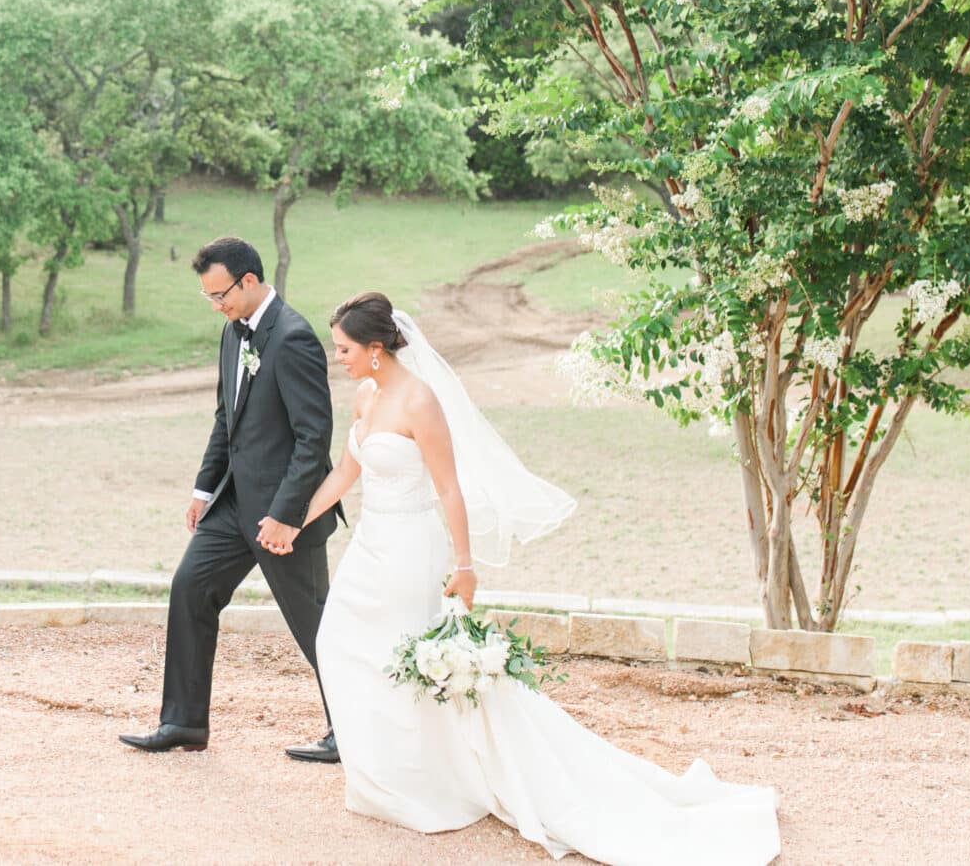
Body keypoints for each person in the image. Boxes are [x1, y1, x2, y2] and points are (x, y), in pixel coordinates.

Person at [262, 291, 781, 865]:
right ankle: (387, 776)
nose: (339, 358)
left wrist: (464, 566)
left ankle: (430, 783)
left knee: (400, 657)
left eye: (344, 348)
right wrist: (291, 522)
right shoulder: (365, 396)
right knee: (338, 644)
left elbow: (449, 488)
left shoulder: (420, 402)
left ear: (377, 349)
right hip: (369, 546)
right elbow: (344, 474)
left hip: (411, 547)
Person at [119, 236, 343, 761]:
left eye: (221, 295)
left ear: (249, 280)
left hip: (287, 517)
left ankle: (354, 731)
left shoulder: (293, 338)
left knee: (316, 625)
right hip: (231, 505)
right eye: (209, 298)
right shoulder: (232, 333)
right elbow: (228, 419)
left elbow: (314, 438)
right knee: (189, 587)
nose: (217, 306)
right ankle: (183, 722)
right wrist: (203, 488)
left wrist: (287, 516)